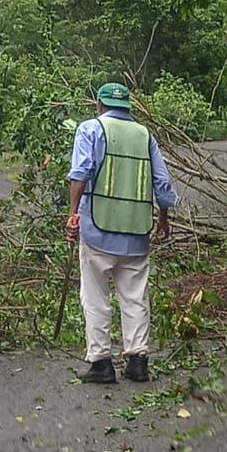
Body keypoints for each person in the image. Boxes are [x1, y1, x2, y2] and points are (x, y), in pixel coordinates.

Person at [65, 82, 179, 384]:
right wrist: (163, 218)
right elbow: (162, 183)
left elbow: (80, 174)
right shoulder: (145, 135)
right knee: (135, 297)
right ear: (128, 107)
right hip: (136, 231)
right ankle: (137, 362)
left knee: (95, 297)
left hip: (97, 230)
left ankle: (101, 363)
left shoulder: (90, 129)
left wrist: (72, 215)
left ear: (99, 105)